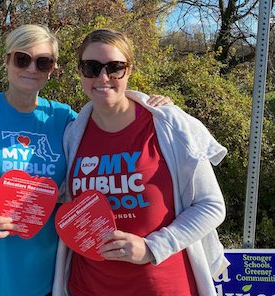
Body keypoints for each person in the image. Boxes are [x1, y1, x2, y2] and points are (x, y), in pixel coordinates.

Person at [0, 24, 172, 296]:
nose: (31, 69)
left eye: (42, 62)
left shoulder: (64, 120)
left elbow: (111, 138)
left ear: (52, 69)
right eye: (22, 59)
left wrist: (151, 108)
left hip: (40, 281)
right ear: (6, 60)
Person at [53, 28, 229, 296]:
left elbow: (211, 206)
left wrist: (152, 248)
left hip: (161, 286)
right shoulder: (72, 134)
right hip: (86, 286)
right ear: (80, 72)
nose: (103, 77)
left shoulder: (168, 126)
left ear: (129, 70)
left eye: (115, 67)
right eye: (91, 67)